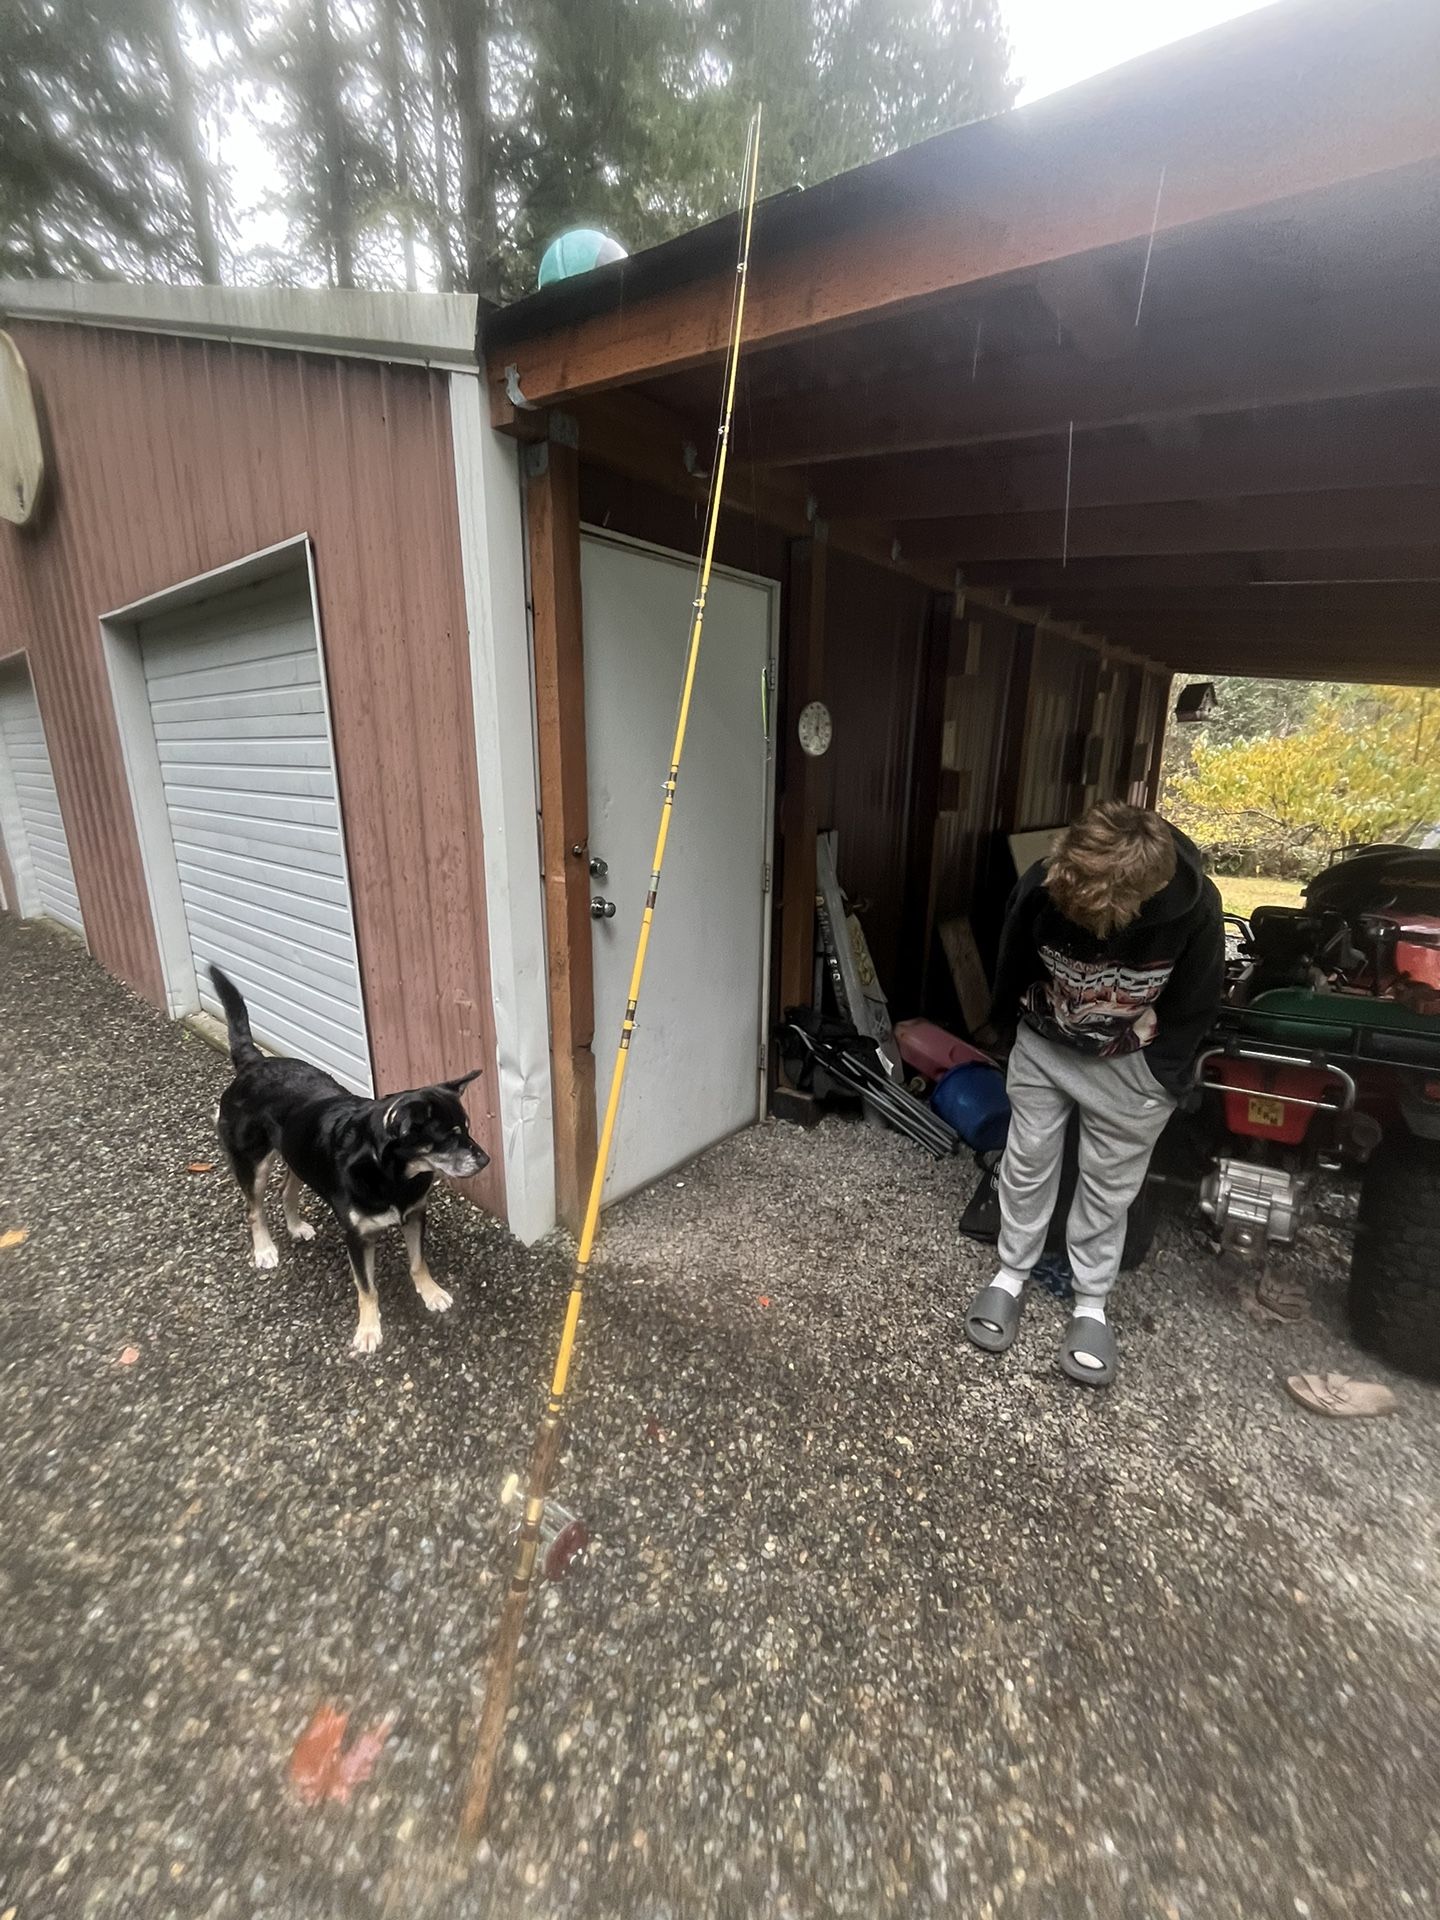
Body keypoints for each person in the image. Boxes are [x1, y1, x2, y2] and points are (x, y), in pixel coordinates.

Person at [966, 802, 1224, 1387]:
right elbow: (1012, 960)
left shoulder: (1194, 908)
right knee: (1026, 1163)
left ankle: (1091, 1305)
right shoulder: (1045, 883)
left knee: (1109, 1189)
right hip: (1046, 1044)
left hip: (1132, 1063)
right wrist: (1008, 1034)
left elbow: (1197, 1001)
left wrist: (1160, 1077)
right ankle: (1009, 1275)